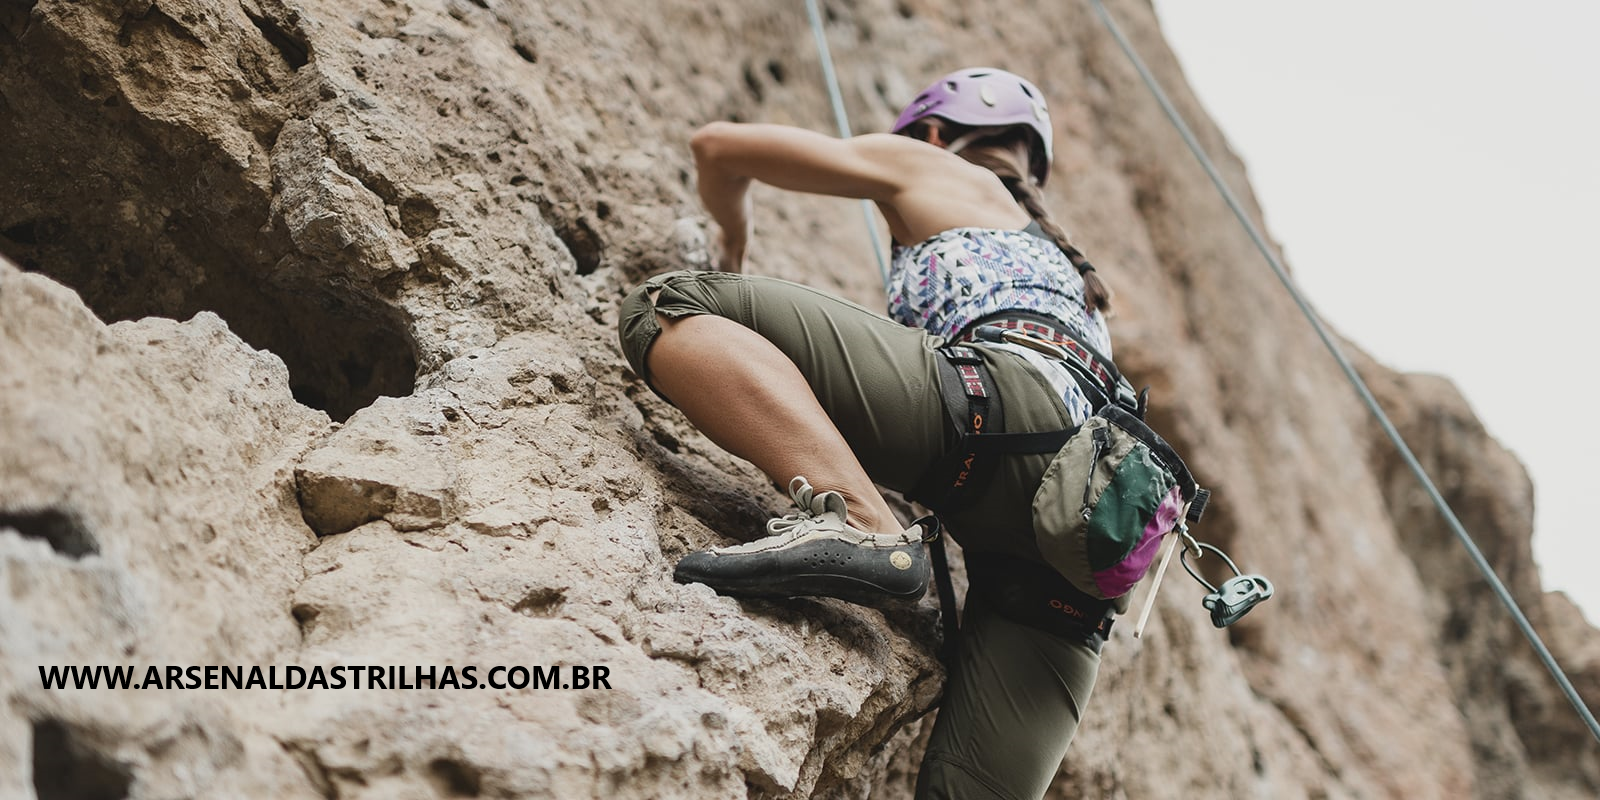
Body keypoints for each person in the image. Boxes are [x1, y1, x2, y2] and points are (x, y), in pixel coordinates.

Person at [618, 68, 1123, 800]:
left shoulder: (932, 162)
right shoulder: (1080, 284)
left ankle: (861, 524)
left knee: (664, 307)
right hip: (1095, 533)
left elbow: (719, 148)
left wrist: (734, 238)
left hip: (1003, 409)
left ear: (938, 133)